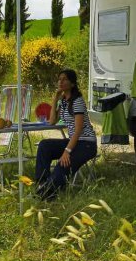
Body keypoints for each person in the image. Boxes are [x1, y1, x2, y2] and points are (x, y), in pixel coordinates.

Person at [35, 69, 97, 200]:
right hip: (74, 141)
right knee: (44, 146)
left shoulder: (77, 101)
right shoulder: (63, 101)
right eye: (59, 79)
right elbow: (52, 121)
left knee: (61, 166)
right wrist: (55, 99)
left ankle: (44, 195)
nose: (61, 82)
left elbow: (79, 129)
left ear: (72, 84)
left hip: (86, 144)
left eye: (65, 79)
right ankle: (42, 184)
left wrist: (67, 151)